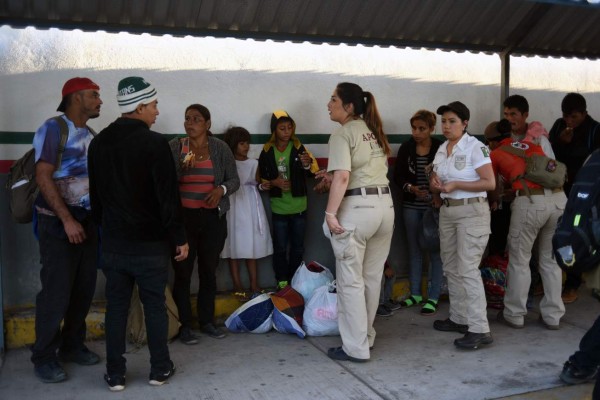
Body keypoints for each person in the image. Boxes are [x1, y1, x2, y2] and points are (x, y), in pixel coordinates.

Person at [88, 76, 189, 391]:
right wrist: (179, 237)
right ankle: (159, 369)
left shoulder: (99, 142)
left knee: (116, 307)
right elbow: (167, 198)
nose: (157, 112)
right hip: (150, 246)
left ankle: (115, 374)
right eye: (154, 105)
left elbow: (96, 198)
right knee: (154, 305)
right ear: (140, 105)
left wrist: (106, 233)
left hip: (115, 245)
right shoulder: (155, 143)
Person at [31, 77, 102, 383]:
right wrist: (66, 220)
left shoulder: (91, 134)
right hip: (58, 221)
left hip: (87, 220)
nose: (100, 101)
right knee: (56, 292)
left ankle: (72, 345)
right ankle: (44, 356)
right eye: (94, 95)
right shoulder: (53, 129)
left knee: (83, 289)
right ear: (75, 98)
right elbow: (43, 176)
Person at [319, 82, 394, 362]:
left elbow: (342, 177)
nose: (328, 104)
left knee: (350, 282)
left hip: (359, 210)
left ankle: (355, 348)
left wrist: (330, 213)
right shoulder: (371, 131)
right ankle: (366, 338)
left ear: (348, 106)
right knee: (371, 279)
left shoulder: (342, 133)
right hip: (385, 208)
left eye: (333, 99)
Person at [490, 113, 567, 332]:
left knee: (520, 259)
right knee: (550, 260)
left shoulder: (495, 153)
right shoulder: (531, 145)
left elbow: (494, 191)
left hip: (531, 204)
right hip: (559, 201)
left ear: (493, 140)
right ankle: (553, 316)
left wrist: (500, 196)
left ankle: (514, 314)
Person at [169, 104, 240, 342]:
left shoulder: (220, 149)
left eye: (196, 119)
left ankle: (207, 321)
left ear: (208, 124)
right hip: (184, 220)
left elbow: (234, 180)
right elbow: (165, 181)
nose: (190, 123)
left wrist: (220, 190)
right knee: (182, 272)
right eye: (187, 118)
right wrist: (180, 168)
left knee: (209, 270)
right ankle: (184, 325)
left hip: (212, 219)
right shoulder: (176, 147)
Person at [430, 101, 495, 350]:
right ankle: (459, 318)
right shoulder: (442, 148)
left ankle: (480, 328)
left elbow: (489, 183)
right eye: (444, 121)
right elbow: (437, 177)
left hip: (472, 211)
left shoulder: (475, 147)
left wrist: (457, 185)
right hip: (449, 211)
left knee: (468, 268)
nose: (446, 126)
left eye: (452, 121)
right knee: (452, 266)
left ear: (465, 123)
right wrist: (436, 182)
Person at [258, 110, 319, 289]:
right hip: (279, 207)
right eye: (282, 128)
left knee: (298, 247)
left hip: (299, 205)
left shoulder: (299, 148)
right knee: (280, 248)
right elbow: (261, 178)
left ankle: (295, 280)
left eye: (289, 127)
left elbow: (311, 171)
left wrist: (307, 163)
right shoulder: (268, 151)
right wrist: (274, 182)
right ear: (274, 131)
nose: (286, 131)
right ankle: (282, 281)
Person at [549, 93, 600, 304]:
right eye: (566, 117)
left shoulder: (596, 130)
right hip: (563, 192)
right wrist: (561, 143)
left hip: (588, 198)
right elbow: (550, 156)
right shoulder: (559, 127)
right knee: (564, 233)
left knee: (582, 234)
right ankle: (559, 279)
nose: (569, 121)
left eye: (574, 117)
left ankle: (573, 283)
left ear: (584, 114)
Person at [393, 109, 444, 316]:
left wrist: (436, 196)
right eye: (414, 128)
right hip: (411, 205)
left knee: (435, 251)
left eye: (422, 129)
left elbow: (445, 175)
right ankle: (415, 293)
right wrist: (410, 188)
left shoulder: (440, 148)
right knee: (413, 249)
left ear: (432, 129)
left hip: (433, 207)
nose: (416, 132)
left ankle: (433, 296)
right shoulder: (406, 148)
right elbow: (398, 176)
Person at [221, 126, 273, 300]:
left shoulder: (254, 163)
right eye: (242, 143)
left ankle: (254, 284)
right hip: (233, 204)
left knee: (252, 244)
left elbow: (256, 183)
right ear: (233, 144)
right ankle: (237, 284)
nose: (246, 147)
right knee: (233, 245)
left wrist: (262, 186)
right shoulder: (227, 163)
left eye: (247, 143)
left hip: (250, 204)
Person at [484, 119, 514, 256]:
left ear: (494, 141)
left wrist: (493, 200)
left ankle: (495, 272)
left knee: (497, 243)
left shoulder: (495, 154)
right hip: (523, 202)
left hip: (502, 205)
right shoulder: (522, 148)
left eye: (489, 142)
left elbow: (493, 184)